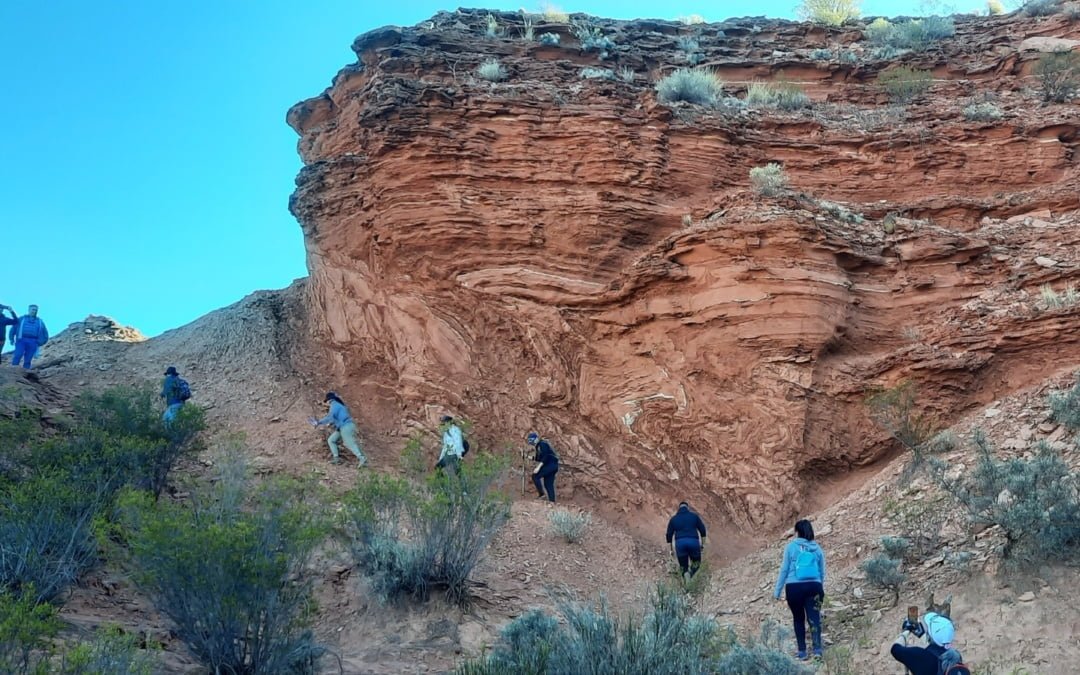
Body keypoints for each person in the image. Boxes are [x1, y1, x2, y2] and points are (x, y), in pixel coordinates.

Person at [773, 519, 826, 660]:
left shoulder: (791, 547)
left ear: (797, 532)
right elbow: (822, 572)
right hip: (814, 586)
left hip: (794, 587)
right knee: (814, 618)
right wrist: (820, 588)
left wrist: (777, 591)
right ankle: (817, 650)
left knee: (798, 619)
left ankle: (802, 652)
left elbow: (784, 570)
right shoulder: (817, 549)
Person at [890, 612, 969, 675]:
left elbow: (895, 649)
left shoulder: (919, 655)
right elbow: (934, 648)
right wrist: (921, 634)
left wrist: (906, 631)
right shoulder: (954, 656)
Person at [309, 391, 367, 467]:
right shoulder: (339, 405)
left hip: (346, 426)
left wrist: (318, 422)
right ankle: (336, 458)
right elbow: (335, 418)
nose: (327, 403)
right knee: (331, 440)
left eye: (327, 401)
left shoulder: (335, 405)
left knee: (349, 443)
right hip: (343, 427)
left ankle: (362, 458)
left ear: (329, 400)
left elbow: (330, 417)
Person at [665, 501, 707, 580]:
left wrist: (671, 549)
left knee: (683, 567)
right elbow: (702, 530)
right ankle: (691, 574)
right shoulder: (694, 516)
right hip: (693, 542)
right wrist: (703, 544)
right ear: (687, 508)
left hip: (680, 543)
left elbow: (669, 535)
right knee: (696, 564)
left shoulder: (674, 519)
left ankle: (686, 577)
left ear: (679, 508)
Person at [9, 304, 48, 369]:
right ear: (29, 310)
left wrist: (40, 342)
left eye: (36, 310)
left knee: (28, 359)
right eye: (33, 309)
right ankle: (13, 370)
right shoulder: (21, 319)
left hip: (33, 341)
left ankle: (26, 372)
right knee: (18, 355)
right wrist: (11, 338)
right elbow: (13, 328)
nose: (34, 311)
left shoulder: (40, 321)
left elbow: (45, 333)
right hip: (21, 340)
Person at [526, 431, 559, 502]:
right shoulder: (539, 446)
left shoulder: (542, 444)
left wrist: (538, 467)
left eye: (532, 441)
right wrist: (527, 457)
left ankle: (542, 495)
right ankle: (552, 502)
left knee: (535, 476)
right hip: (553, 466)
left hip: (551, 464)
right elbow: (539, 458)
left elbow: (545, 456)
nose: (532, 443)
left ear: (536, 439)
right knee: (548, 484)